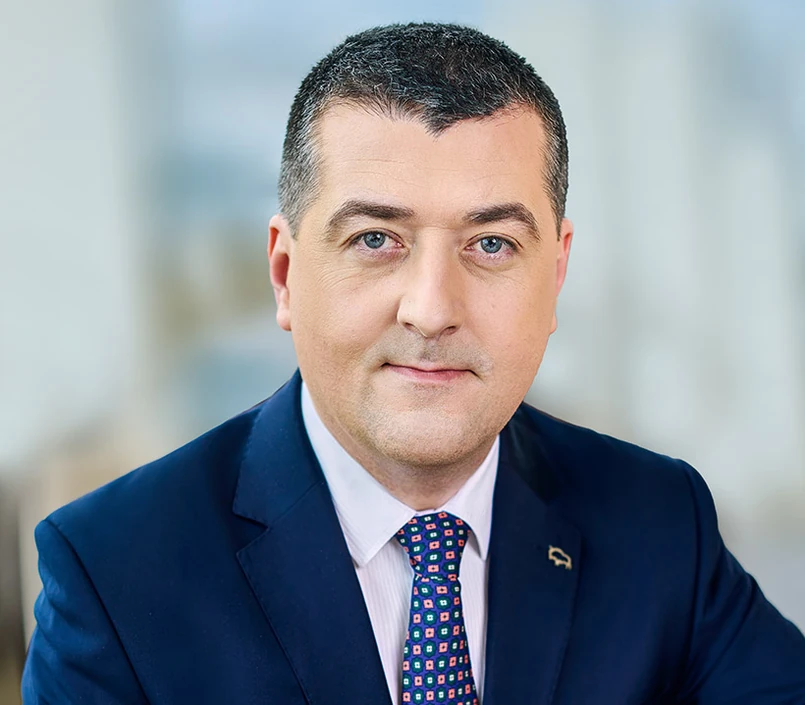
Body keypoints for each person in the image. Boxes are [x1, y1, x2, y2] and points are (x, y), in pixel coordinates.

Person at [21, 22, 805, 705]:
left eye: (490, 243)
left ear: (555, 274)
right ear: (286, 273)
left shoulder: (660, 520)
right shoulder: (114, 570)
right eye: (375, 239)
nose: (431, 309)